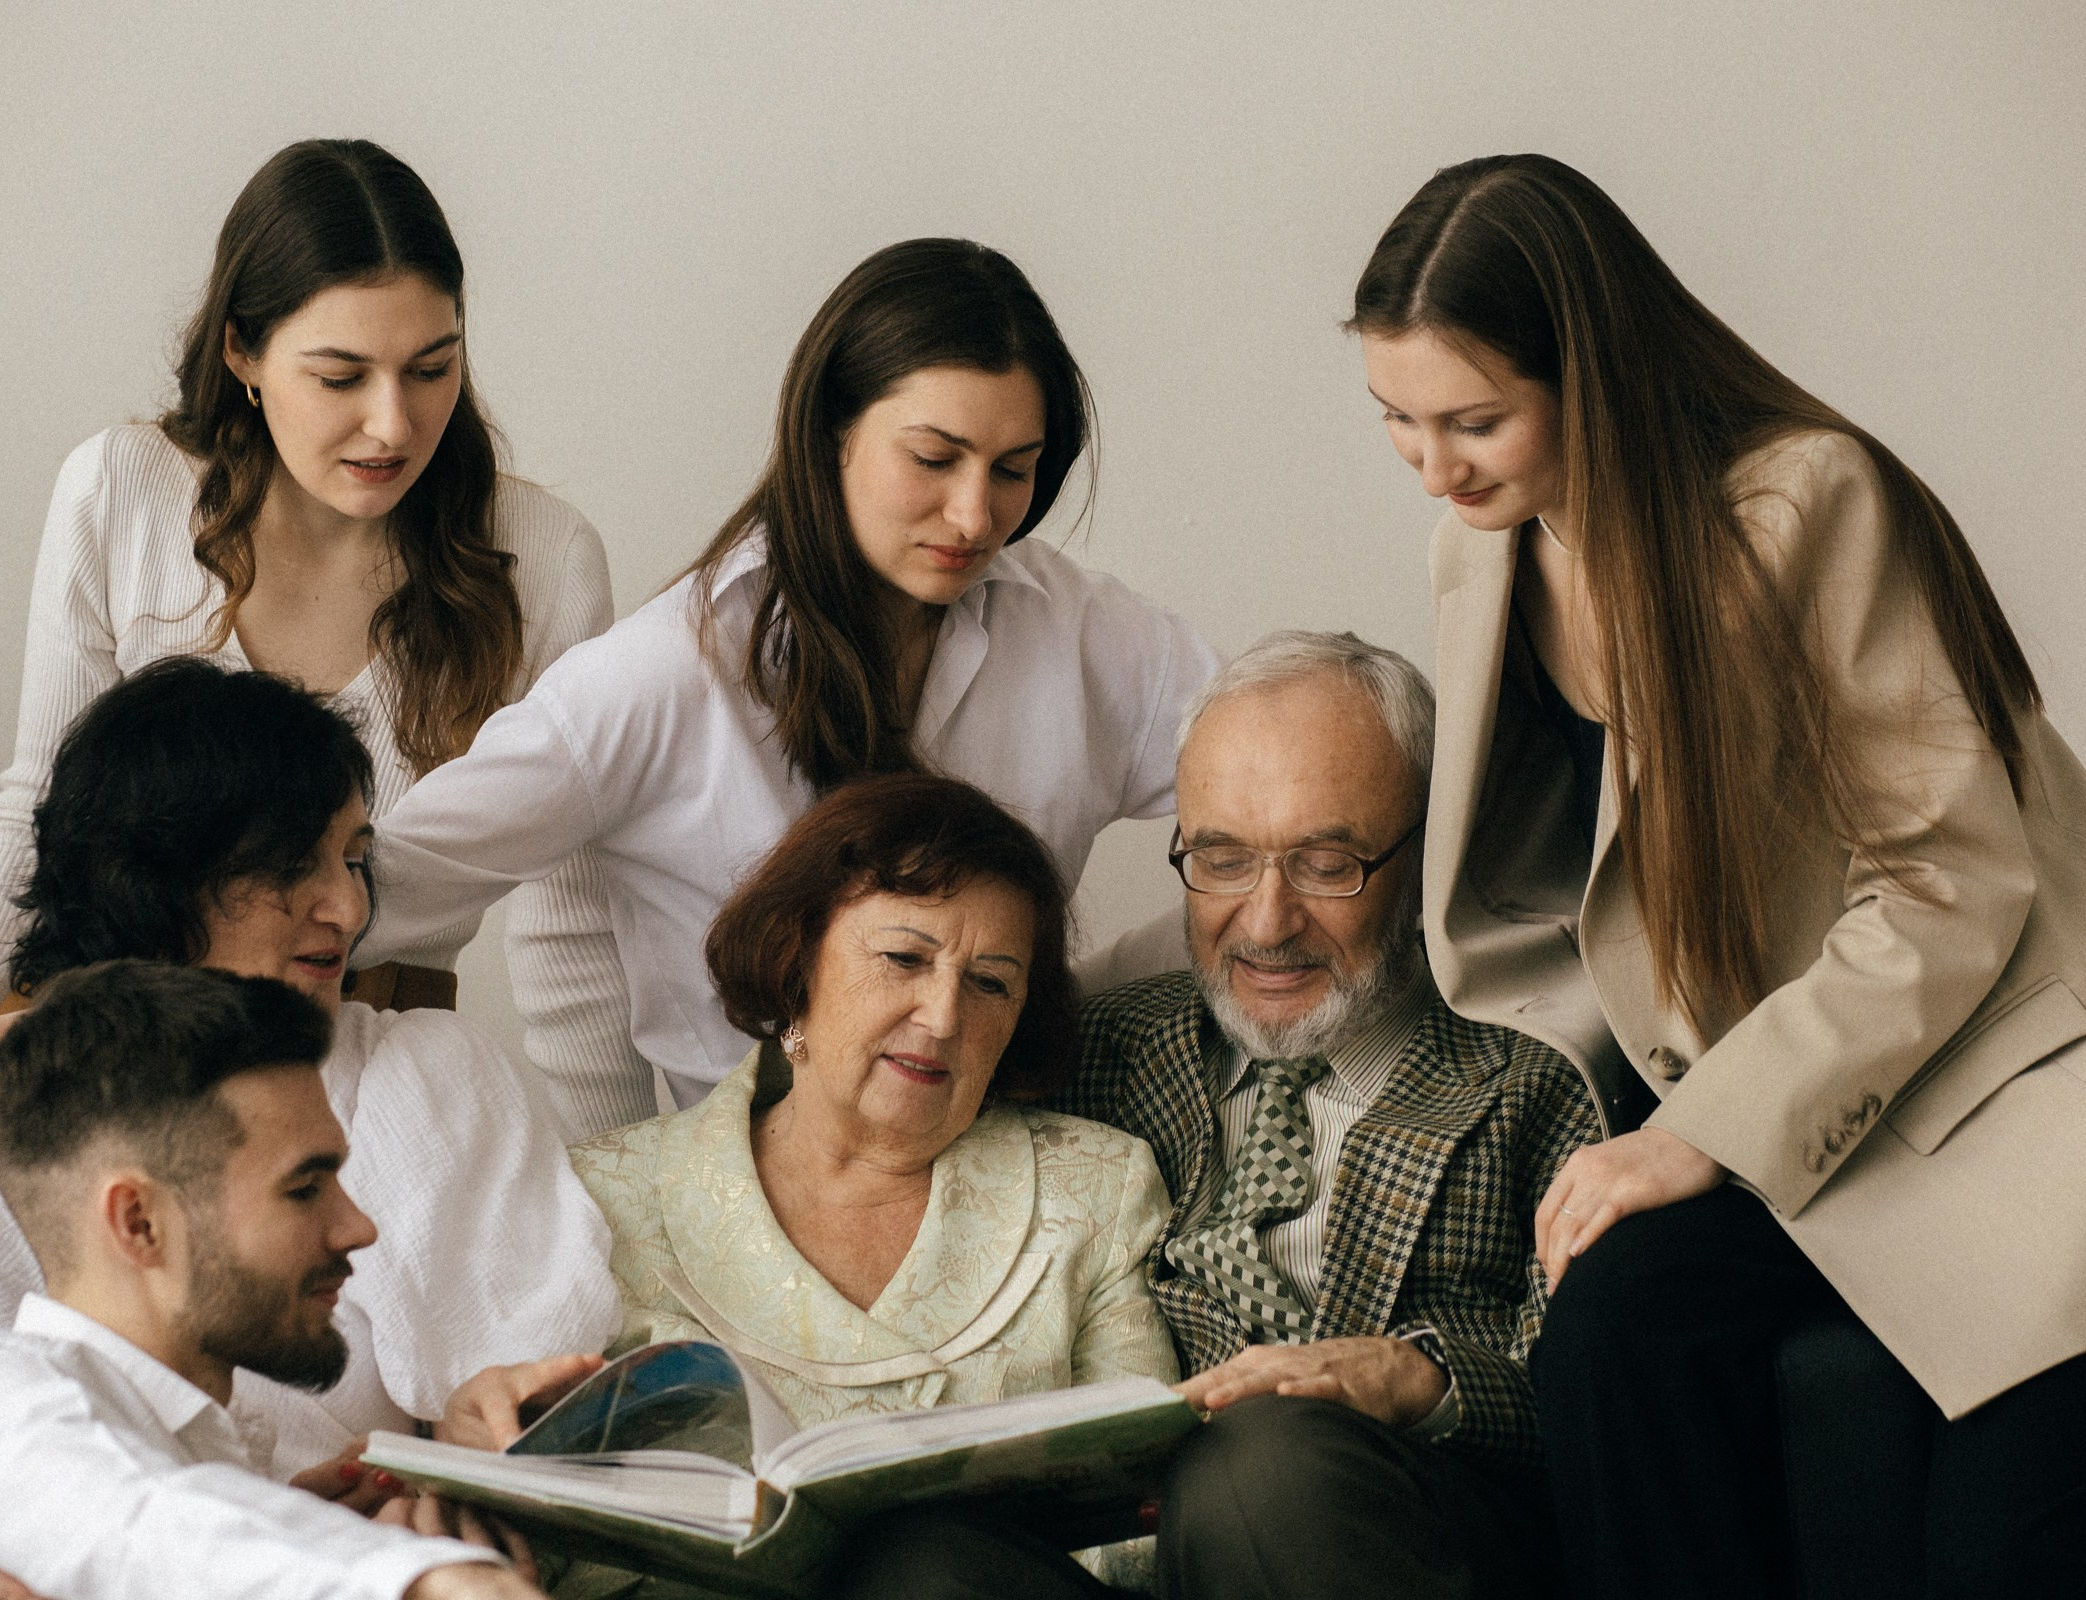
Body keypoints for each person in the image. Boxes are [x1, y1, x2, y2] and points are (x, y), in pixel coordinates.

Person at [1351, 152, 2086, 1597]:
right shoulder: (1482, 551)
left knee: (2010, 1573)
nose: (1434, 466)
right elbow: (1554, 905)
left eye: (1476, 420)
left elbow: (1950, 886)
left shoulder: (1803, 502)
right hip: (1825, 1130)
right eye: (1395, 419)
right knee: (1613, 1328)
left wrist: (1712, 1131)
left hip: (2014, 1118)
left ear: (1596, 375)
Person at [0, 135, 633, 1174]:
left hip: (367, 1067)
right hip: (104, 1029)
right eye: (341, 376)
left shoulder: (545, 562)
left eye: (433, 367)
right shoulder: (122, 490)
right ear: (243, 354)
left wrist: (618, 1167)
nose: (394, 422)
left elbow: (573, 915)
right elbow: (40, 798)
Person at [352, 237, 1219, 1113]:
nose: (973, 515)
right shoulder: (666, 675)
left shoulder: (1081, 632)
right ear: (830, 432)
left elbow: (1297, 781)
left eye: (1013, 471)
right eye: (932, 458)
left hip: (1017, 1169)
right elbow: (378, 885)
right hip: (743, 1208)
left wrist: (1099, 997)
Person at [0, 660, 617, 1598]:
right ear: (159, 878)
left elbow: (527, 1410)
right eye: (292, 867)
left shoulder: (426, 1075)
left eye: (355, 858)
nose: (350, 908)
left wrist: (444, 1484)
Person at [1055, 631, 1595, 1600]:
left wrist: (1416, 1381)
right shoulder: (1095, 1049)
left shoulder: (1538, 1077)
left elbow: (1606, 1408)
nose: (1265, 923)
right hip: (1135, 1546)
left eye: (1326, 863)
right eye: (1221, 859)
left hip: (1389, 1523)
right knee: (918, 1564)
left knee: (1263, 1466)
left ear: (1432, 853)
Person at [567, 773, 1177, 1598]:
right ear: (796, 966)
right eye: (904, 958)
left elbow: (1135, 1530)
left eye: (990, 982)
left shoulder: (1094, 1187)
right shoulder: (601, 1196)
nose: (942, 1016)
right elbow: (557, 1541)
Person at [0, 958, 540, 1600]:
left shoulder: (210, 1458)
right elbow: (133, 1523)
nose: (358, 1227)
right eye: (305, 1188)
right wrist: (431, 1580)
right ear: (139, 1222)